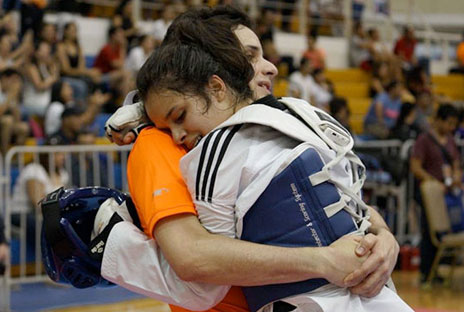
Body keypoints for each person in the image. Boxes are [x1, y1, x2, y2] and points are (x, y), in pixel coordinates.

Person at [102, 5, 400, 310]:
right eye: (249, 56)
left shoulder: (285, 117)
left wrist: (384, 240)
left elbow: (347, 202)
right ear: (213, 72)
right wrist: (323, 261)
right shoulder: (161, 144)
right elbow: (193, 260)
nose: (270, 66)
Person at [410, 103, 461, 285]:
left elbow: (455, 163)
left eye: (454, 124)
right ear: (438, 120)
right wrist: (433, 182)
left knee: (445, 231)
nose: (451, 127)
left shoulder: (450, 140)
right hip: (430, 194)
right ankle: (426, 271)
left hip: (448, 195)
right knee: (429, 232)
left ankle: (437, 270)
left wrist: (456, 176)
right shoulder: (424, 140)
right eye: (449, 122)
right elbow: (415, 167)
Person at [23, 40, 60, 118]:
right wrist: (53, 77)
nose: (47, 51)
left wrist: (53, 68)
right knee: (57, 111)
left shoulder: (45, 67)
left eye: (48, 49)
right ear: (36, 52)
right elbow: (39, 86)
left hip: (45, 103)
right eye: (44, 49)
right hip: (33, 104)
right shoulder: (31, 67)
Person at [0, 69, 29, 155]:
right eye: (13, 80)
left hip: (7, 125)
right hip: (4, 122)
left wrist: (14, 99)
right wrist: (10, 96)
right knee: (8, 121)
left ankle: (15, 158)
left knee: (24, 127)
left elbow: (17, 120)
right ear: (4, 79)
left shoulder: (12, 93)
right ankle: (4, 156)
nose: (15, 84)